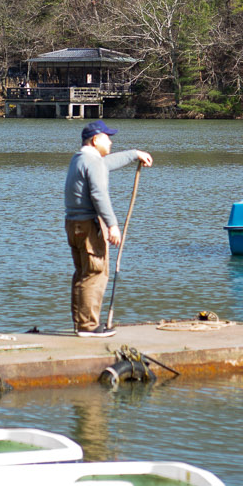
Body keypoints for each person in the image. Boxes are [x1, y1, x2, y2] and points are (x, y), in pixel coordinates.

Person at [63, 120, 152, 337]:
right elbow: (99, 195)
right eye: (107, 137)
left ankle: (81, 324)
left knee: (83, 273)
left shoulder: (81, 159)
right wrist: (112, 225)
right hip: (88, 226)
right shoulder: (92, 162)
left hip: (73, 225)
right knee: (95, 273)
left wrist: (134, 154)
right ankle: (89, 326)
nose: (111, 141)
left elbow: (107, 163)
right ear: (95, 140)